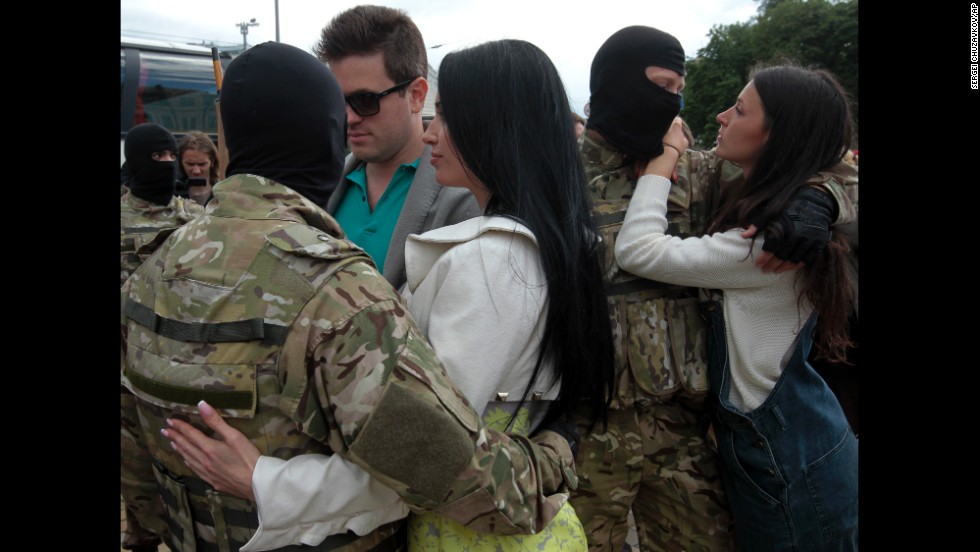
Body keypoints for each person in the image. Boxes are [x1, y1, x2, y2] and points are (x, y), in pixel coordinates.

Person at [160, 38, 616, 552]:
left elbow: (426, 458)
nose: (431, 134)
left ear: (498, 126)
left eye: (446, 116)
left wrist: (267, 483)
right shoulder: (539, 242)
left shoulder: (490, 259)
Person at [570, 25, 856, 552]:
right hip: (589, 427)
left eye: (679, 88)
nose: (672, 102)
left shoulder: (701, 172)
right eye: (660, 85)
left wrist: (825, 201)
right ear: (612, 84)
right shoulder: (556, 177)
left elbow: (817, 153)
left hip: (686, 431)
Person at [316, 5, 480, 289]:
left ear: (416, 95)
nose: (349, 118)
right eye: (338, 100)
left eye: (365, 100)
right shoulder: (322, 185)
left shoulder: (467, 197)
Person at [120, 122, 204, 287]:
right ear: (136, 161)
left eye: (173, 156)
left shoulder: (196, 214)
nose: (168, 163)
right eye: (158, 156)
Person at [175, 131, 220, 206]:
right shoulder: (172, 193)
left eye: (202, 164)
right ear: (181, 162)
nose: (196, 171)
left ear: (212, 162)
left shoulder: (222, 194)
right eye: (190, 164)